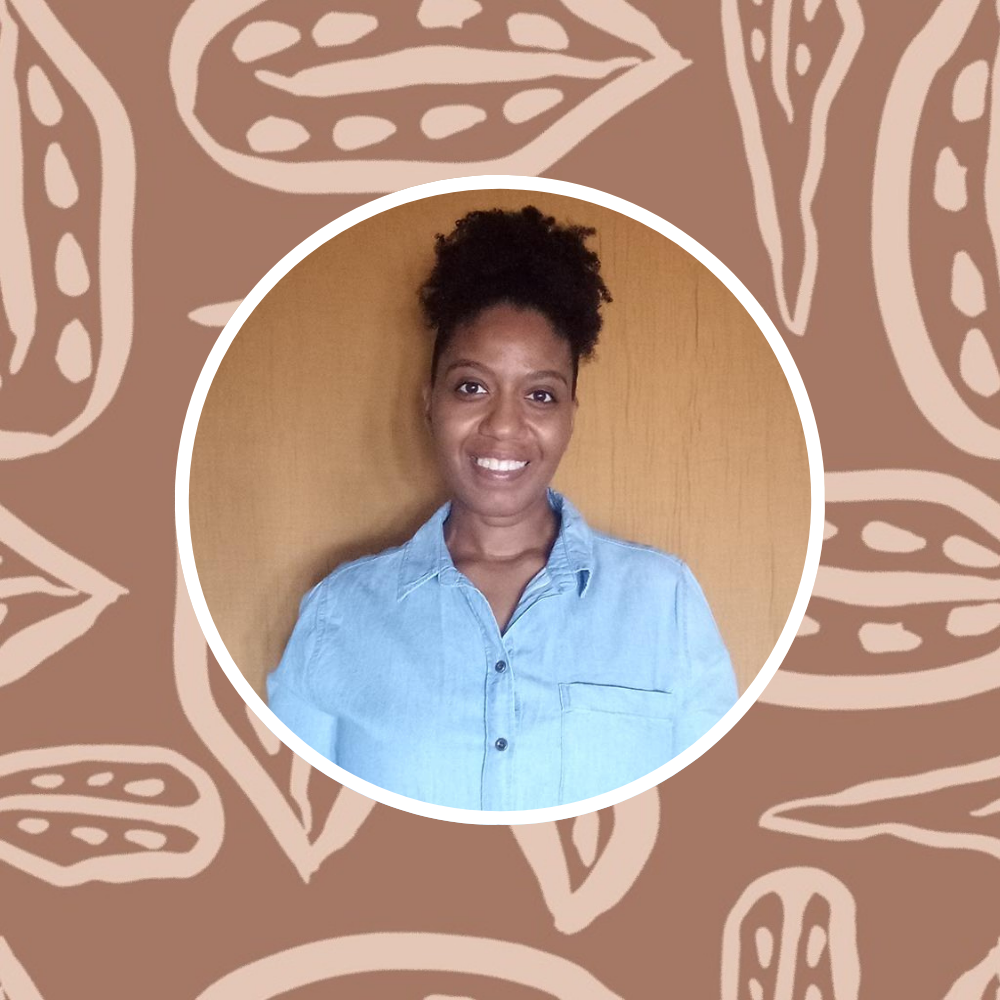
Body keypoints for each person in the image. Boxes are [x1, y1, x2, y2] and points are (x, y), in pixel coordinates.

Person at [267, 206, 738, 811]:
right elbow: (291, 820)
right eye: (471, 386)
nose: (504, 426)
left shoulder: (664, 603)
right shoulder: (340, 614)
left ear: (570, 416)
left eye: (540, 395)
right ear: (429, 402)